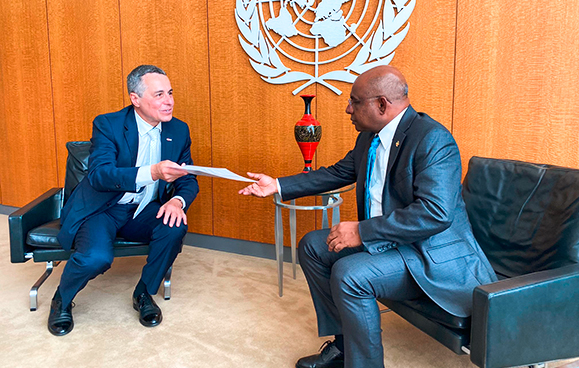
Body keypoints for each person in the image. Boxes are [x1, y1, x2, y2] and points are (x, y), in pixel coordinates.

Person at [239, 65, 497, 368]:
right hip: (389, 242)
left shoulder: (432, 139)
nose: (348, 109)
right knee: (313, 246)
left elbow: (435, 213)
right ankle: (345, 347)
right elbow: (338, 172)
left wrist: (362, 231)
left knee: (351, 274)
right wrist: (279, 185)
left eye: (354, 101)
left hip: (427, 255)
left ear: (381, 105)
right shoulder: (371, 137)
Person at [48, 65, 199, 336]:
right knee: (96, 258)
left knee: (175, 225)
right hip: (102, 209)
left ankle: (143, 293)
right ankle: (62, 297)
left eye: (171, 93)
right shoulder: (108, 124)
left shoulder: (178, 130)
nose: (169, 101)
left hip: (142, 209)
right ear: (136, 99)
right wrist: (151, 172)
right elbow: (99, 175)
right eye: (160, 94)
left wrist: (177, 201)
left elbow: (187, 179)